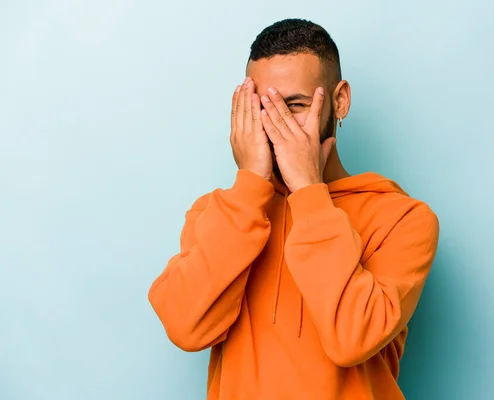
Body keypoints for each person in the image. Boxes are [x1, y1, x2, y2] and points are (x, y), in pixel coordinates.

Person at [148, 18, 439, 400]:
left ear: (340, 101)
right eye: (261, 109)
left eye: (295, 106)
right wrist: (251, 186)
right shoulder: (214, 213)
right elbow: (186, 327)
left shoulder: (403, 220)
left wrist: (308, 191)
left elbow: (353, 338)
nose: (276, 125)